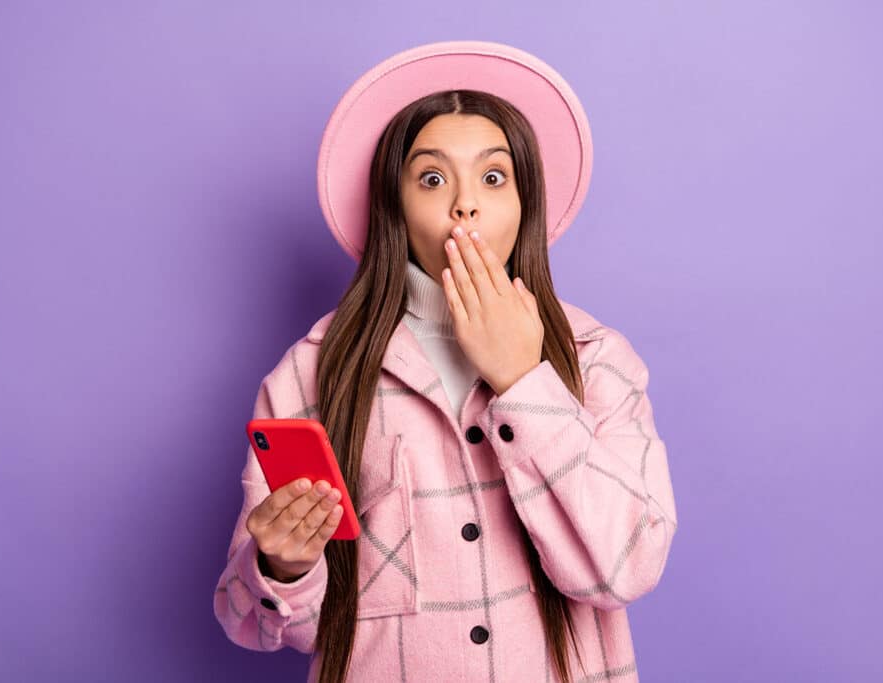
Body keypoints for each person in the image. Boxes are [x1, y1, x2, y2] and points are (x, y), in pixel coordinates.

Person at [213, 40, 679, 683]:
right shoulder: (312, 373)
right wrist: (283, 568)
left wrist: (522, 378)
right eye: (432, 178)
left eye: (493, 177)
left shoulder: (597, 358)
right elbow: (252, 622)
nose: (465, 205)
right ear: (395, 207)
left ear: (526, 205)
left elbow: (627, 566)